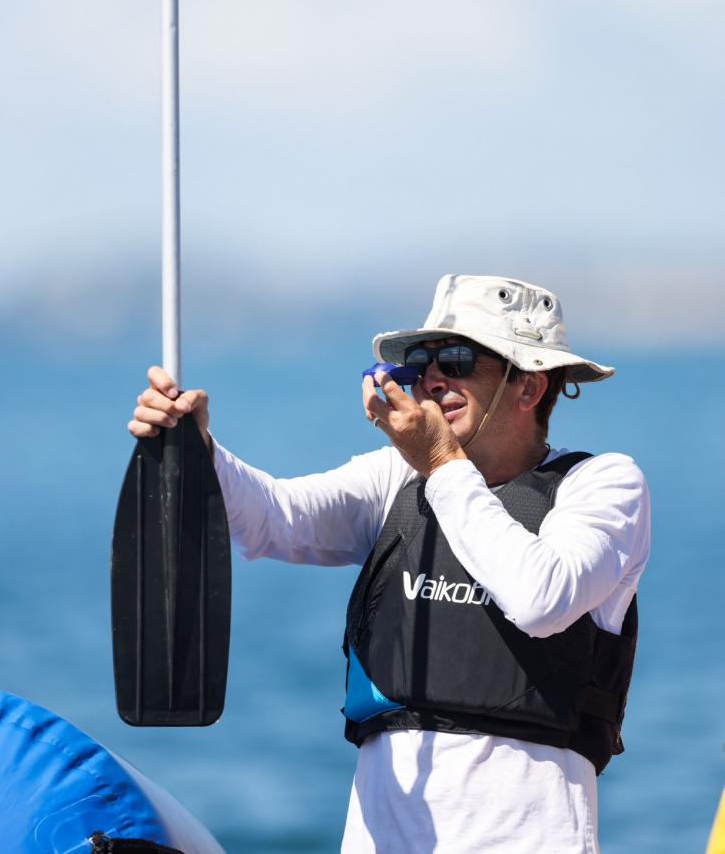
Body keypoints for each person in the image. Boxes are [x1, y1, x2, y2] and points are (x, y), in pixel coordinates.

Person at [129, 274, 650, 854]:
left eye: (456, 360)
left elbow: (542, 598)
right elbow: (273, 519)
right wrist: (200, 452)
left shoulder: (603, 485)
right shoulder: (398, 478)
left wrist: (442, 464)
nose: (431, 378)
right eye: (422, 360)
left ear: (528, 387)